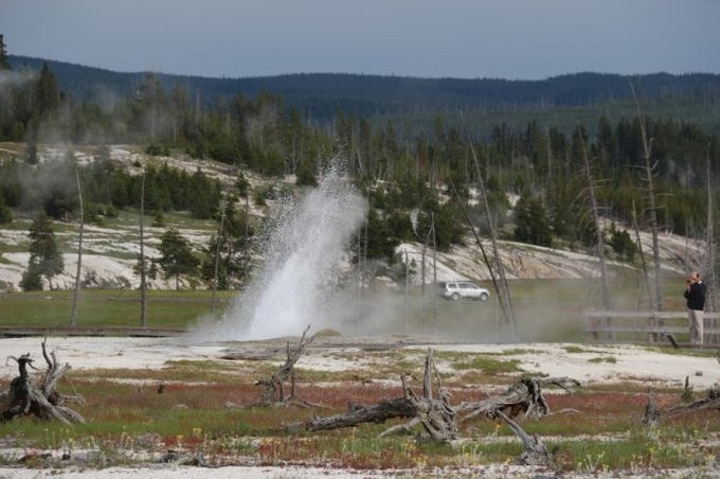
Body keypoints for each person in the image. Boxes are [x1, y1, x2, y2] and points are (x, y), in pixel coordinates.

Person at [684, 271, 707, 345]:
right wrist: (688, 289)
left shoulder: (702, 286)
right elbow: (686, 296)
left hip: (698, 308)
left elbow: (699, 295)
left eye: (693, 278)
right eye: (691, 278)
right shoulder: (692, 286)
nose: (692, 279)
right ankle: (692, 341)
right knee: (691, 325)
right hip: (691, 307)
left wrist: (692, 286)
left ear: (698, 277)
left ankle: (699, 342)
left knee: (698, 325)